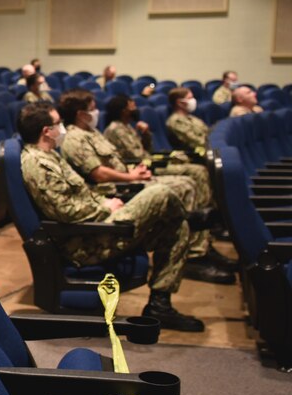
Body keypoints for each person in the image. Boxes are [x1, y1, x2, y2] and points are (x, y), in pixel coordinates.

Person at [18, 102, 203, 331]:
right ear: (46, 131)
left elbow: (81, 195)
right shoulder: (37, 163)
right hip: (88, 240)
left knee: (178, 229)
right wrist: (106, 208)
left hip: (98, 224)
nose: (63, 128)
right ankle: (197, 218)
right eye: (59, 124)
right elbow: (64, 211)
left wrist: (106, 201)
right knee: (161, 193)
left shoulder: (49, 155)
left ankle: (159, 305)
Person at [58, 90, 232, 284]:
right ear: (81, 114)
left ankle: (199, 243)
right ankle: (193, 252)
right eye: (92, 109)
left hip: (128, 177)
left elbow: (119, 160)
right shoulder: (74, 138)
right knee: (186, 185)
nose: (97, 112)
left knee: (189, 182)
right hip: (117, 188)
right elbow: (98, 173)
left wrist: (135, 169)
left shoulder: (92, 132)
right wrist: (130, 176)